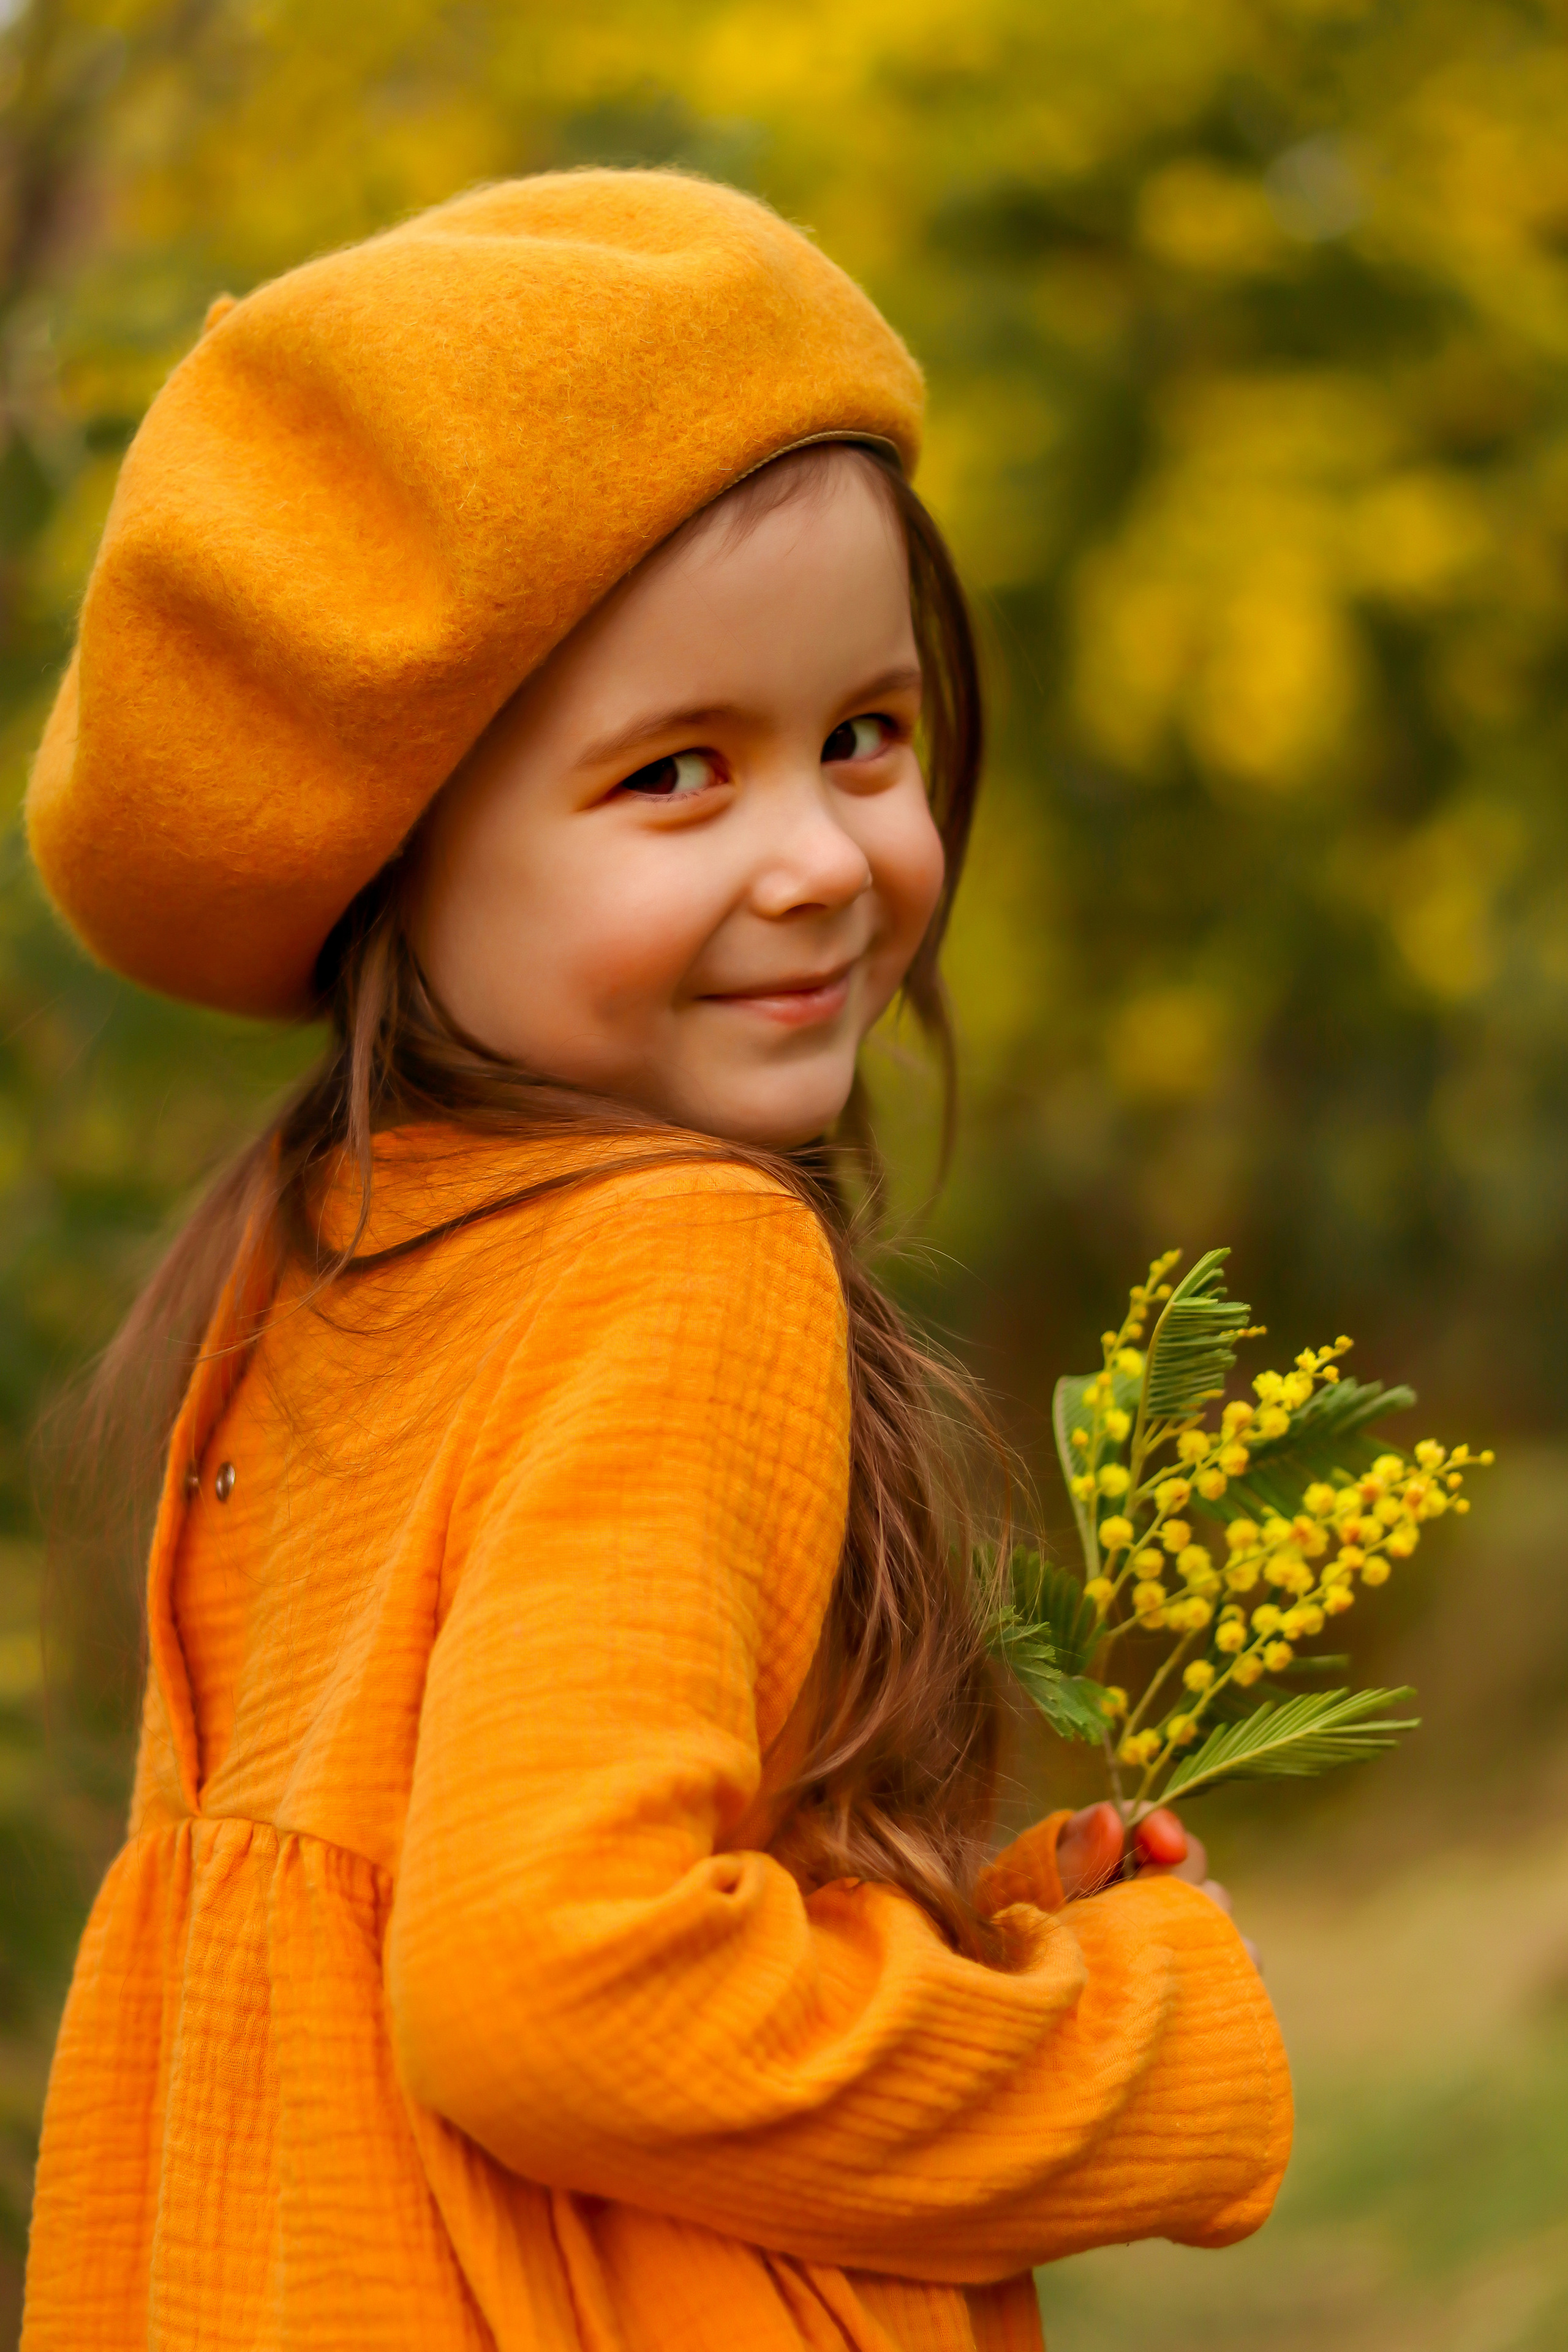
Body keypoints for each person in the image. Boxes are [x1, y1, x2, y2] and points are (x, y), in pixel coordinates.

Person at [20, 170, 1290, 2352]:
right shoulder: (680, 1259)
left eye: (862, 738)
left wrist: (942, 1927)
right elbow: (556, 2000)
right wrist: (1146, 2051)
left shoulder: (345, 1246)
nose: (819, 860)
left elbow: (429, 1916)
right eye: (677, 773)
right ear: (392, 855)